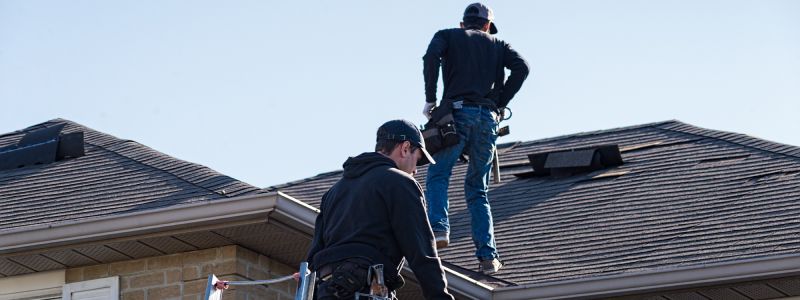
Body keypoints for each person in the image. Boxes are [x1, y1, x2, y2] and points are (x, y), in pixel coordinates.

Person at [422, 2, 530, 274]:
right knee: (477, 189)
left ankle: (438, 230)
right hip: (487, 120)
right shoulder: (498, 45)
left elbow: (430, 57)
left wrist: (431, 99)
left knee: (438, 174)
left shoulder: (447, 35)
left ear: (463, 24)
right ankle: (488, 257)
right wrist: (499, 101)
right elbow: (522, 68)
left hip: (456, 116)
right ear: (486, 26)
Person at [305, 119, 454, 300]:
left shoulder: (333, 192)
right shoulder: (400, 183)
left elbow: (314, 257)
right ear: (405, 148)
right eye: (418, 159)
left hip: (326, 290)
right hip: (364, 290)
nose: (415, 170)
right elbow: (421, 252)